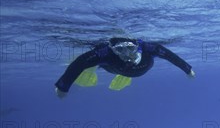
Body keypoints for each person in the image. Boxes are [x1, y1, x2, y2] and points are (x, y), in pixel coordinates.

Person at [54, 37, 195, 98]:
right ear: (113, 50)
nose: (127, 54)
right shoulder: (105, 53)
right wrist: (63, 86)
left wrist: (188, 69)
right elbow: (79, 63)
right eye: (120, 50)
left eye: (130, 48)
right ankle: (90, 71)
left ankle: (114, 75)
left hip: (121, 70)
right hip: (110, 67)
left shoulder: (150, 48)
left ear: (137, 46)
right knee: (87, 64)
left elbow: (171, 56)